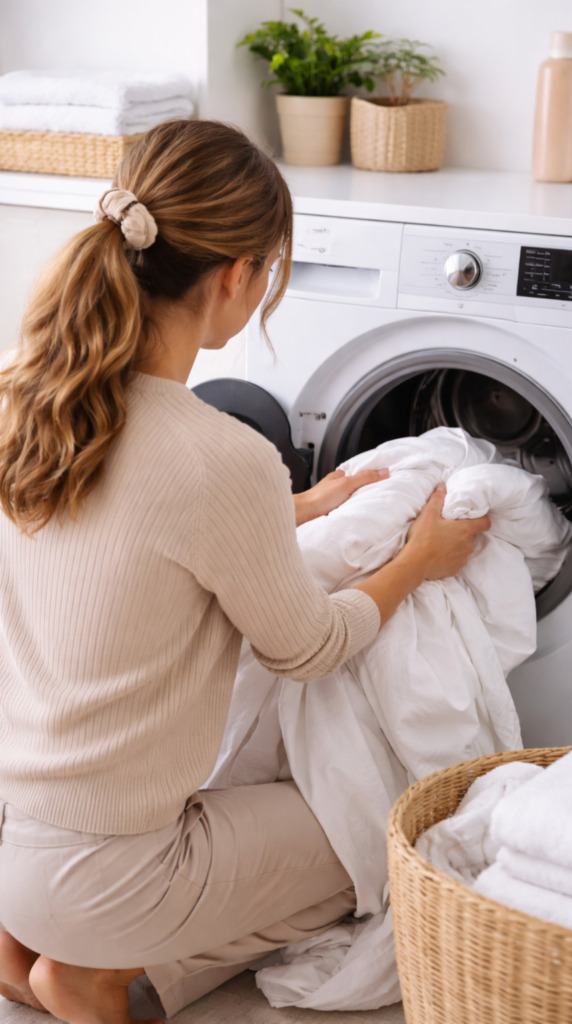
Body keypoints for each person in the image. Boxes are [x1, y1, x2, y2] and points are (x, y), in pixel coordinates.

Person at [0, 119, 490, 1024]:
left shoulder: (28, 402)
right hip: (118, 869)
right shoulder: (219, 457)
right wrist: (418, 561)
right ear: (236, 274)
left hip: (15, 841)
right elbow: (309, 648)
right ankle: (92, 972)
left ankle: (32, 942)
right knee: (386, 828)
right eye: (269, 271)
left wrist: (294, 510)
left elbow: (127, 534)